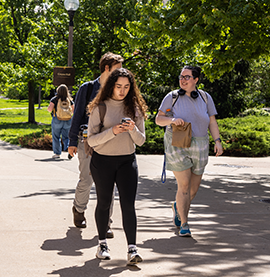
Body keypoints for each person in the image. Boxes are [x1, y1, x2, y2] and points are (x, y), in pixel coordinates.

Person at [87, 68, 147, 265]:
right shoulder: (100, 107)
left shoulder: (135, 108)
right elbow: (92, 141)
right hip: (102, 162)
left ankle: (132, 249)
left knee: (128, 205)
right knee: (104, 203)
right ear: (111, 86)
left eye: (127, 87)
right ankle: (102, 244)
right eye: (119, 86)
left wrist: (132, 129)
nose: (122, 91)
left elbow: (141, 141)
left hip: (127, 162)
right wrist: (112, 131)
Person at [155, 65, 223, 237]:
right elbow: (158, 119)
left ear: (196, 80)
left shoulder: (205, 98)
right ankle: (184, 223)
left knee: (193, 190)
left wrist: (218, 141)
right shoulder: (172, 97)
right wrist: (172, 120)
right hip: (178, 144)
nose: (183, 80)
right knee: (184, 185)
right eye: (181, 77)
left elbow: (212, 122)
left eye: (187, 77)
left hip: (200, 144)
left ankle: (178, 206)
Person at [68, 52, 124, 230]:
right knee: (87, 179)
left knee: (109, 183)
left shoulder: (118, 89)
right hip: (87, 140)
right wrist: (72, 141)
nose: (121, 72)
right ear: (107, 68)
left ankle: (106, 222)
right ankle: (79, 209)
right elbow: (77, 116)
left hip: (111, 141)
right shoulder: (87, 88)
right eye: (117, 69)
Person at [47, 84, 74, 159]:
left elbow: (49, 109)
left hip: (57, 120)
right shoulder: (69, 100)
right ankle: (69, 150)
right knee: (66, 137)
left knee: (56, 137)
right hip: (68, 120)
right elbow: (73, 111)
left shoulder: (54, 99)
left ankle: (57, 154)